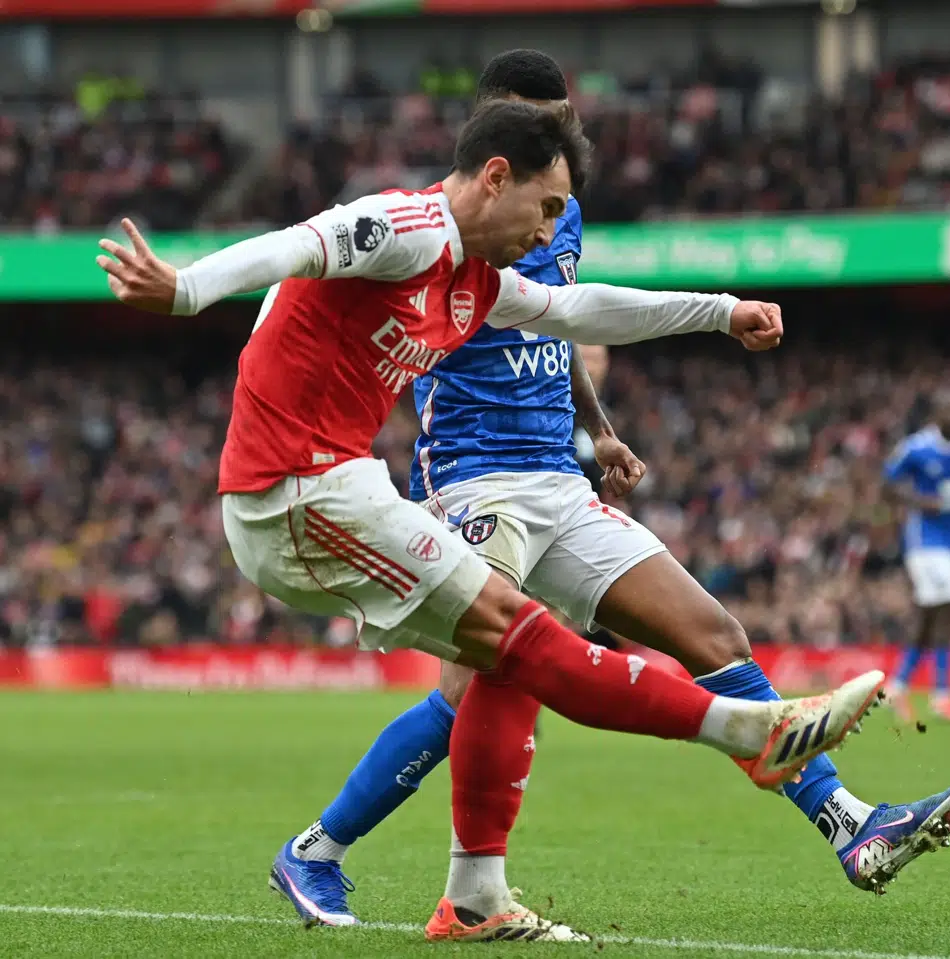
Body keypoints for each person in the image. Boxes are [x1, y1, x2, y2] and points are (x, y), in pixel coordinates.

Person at [95, 95, 887, 925]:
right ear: (496, 175)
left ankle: (469, 894)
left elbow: (583, 311)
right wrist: (183, 290)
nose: (550, 234)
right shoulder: (406, 225)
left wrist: (721, 312)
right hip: (291, 493)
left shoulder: (469, 283)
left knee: (511, 659)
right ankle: (753, 731)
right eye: (545, 208)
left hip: (348, 482)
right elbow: (295, 246)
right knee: (520, 633)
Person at [261, 52, 950, 941]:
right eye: (542, 129)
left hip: (556, 476)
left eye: (568, 126)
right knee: (478, 682)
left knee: (711, 633)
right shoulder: (439, 228)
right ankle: (339, 854)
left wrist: (596, 429)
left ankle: (850, 825)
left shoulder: (557, 212)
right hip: (473, 479)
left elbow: (560, 319)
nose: (563, 146)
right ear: (494, 142)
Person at [883, 390, 950, 724]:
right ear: (935, 413)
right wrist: (919, 501)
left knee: (932, 617)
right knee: (946, 611)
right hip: (925, 542)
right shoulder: (916, 447)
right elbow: (888, 485)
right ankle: (941, 694)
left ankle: (897, 686)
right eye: (945, 409)